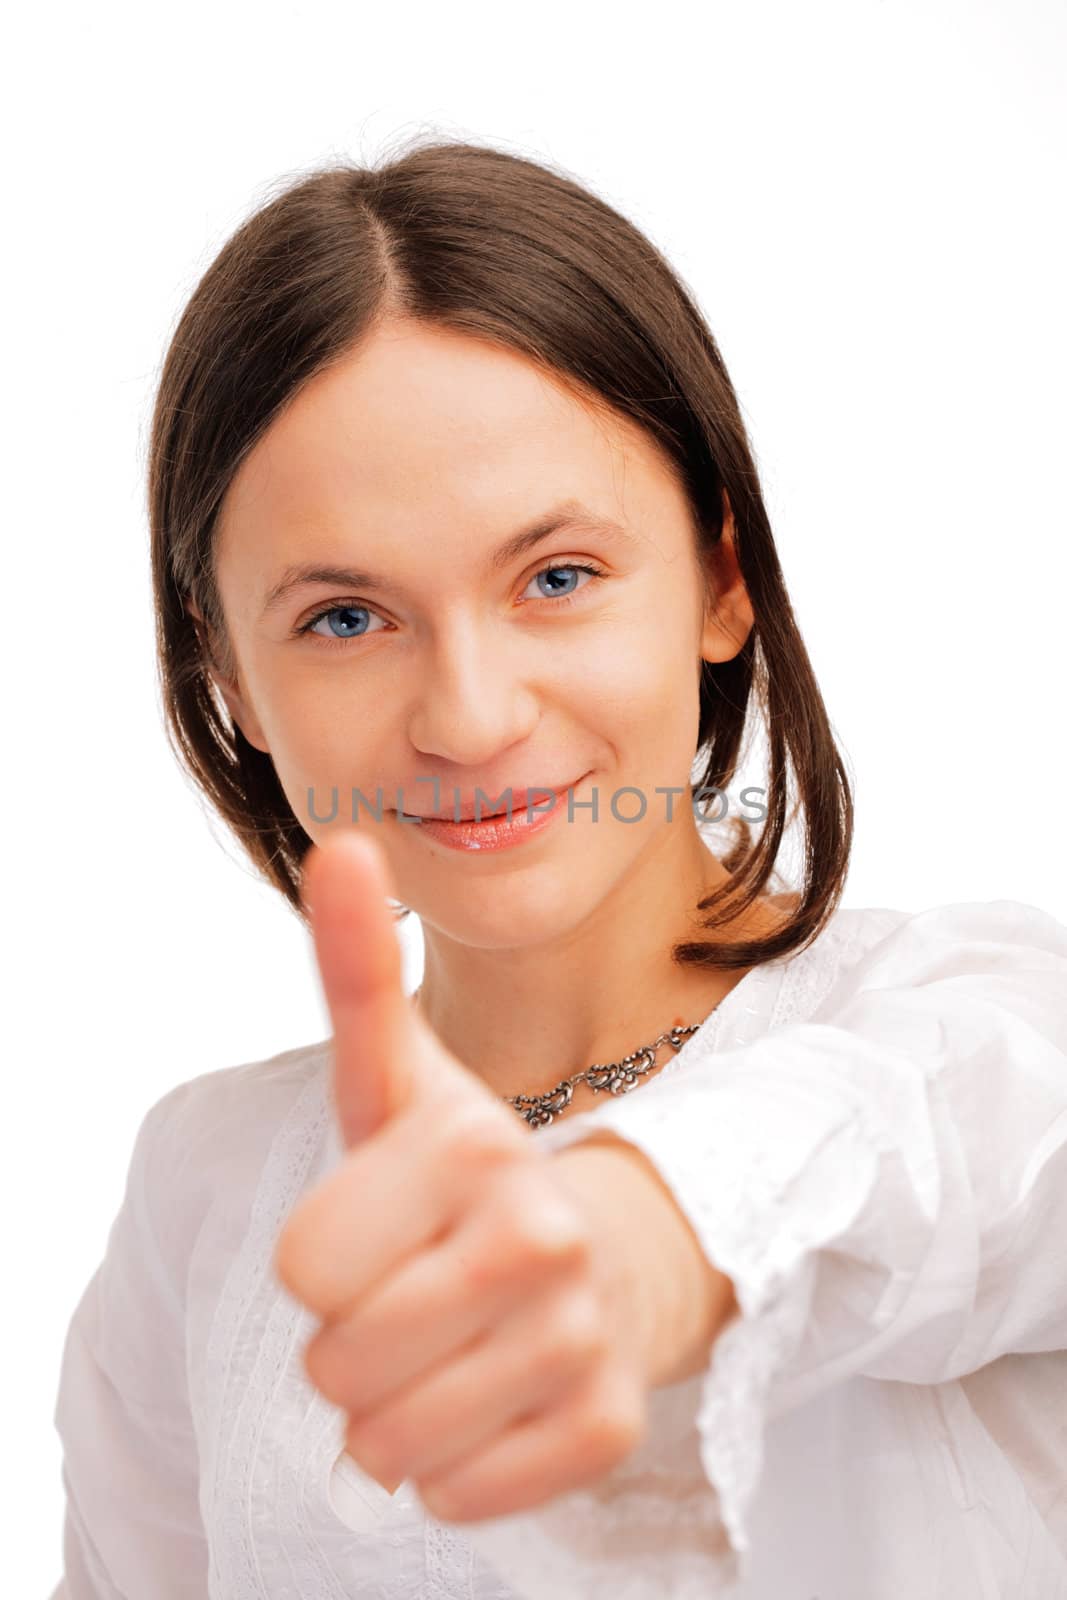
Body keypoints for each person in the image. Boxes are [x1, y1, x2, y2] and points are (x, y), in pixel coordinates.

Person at [50, 138, 1067, 1600]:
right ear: (230, 680)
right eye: (346, 617)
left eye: (557, 578)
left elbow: (934, 1151)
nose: (470, 714)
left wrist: (648, 1234)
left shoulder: (982, 1025)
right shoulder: (202, 1193)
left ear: (723, 580)